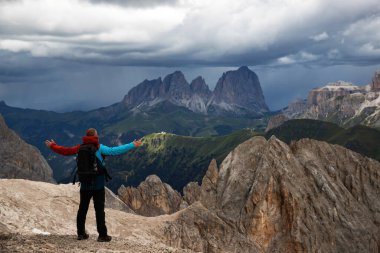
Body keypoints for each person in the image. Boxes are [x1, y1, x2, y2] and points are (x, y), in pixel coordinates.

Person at [45, 128, 142, 242]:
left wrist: (53, 146)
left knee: (82, 209)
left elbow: (65, 150)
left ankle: (81, 234)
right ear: (95, 137)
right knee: (99, 210)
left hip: (85, 184)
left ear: (86, 137)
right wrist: (132, 144)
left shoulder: (79, 148)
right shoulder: (99, 148)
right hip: (98, 184)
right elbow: (115, 150)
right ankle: (102, 235)